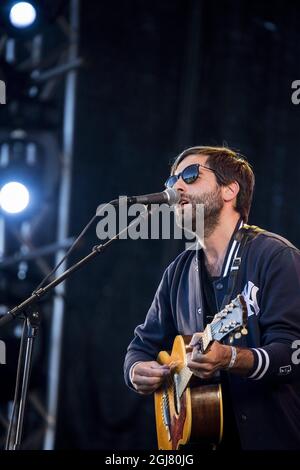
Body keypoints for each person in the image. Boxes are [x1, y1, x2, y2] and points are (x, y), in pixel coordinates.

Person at [123, 146, 300, 450]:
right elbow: (141, 347)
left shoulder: (276, 257)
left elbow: (293, 355)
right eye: (171, 182)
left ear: (230, 189)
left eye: (189, 176)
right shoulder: (177, 272)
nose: (176, 186)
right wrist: (135, 371)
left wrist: (231, 357)